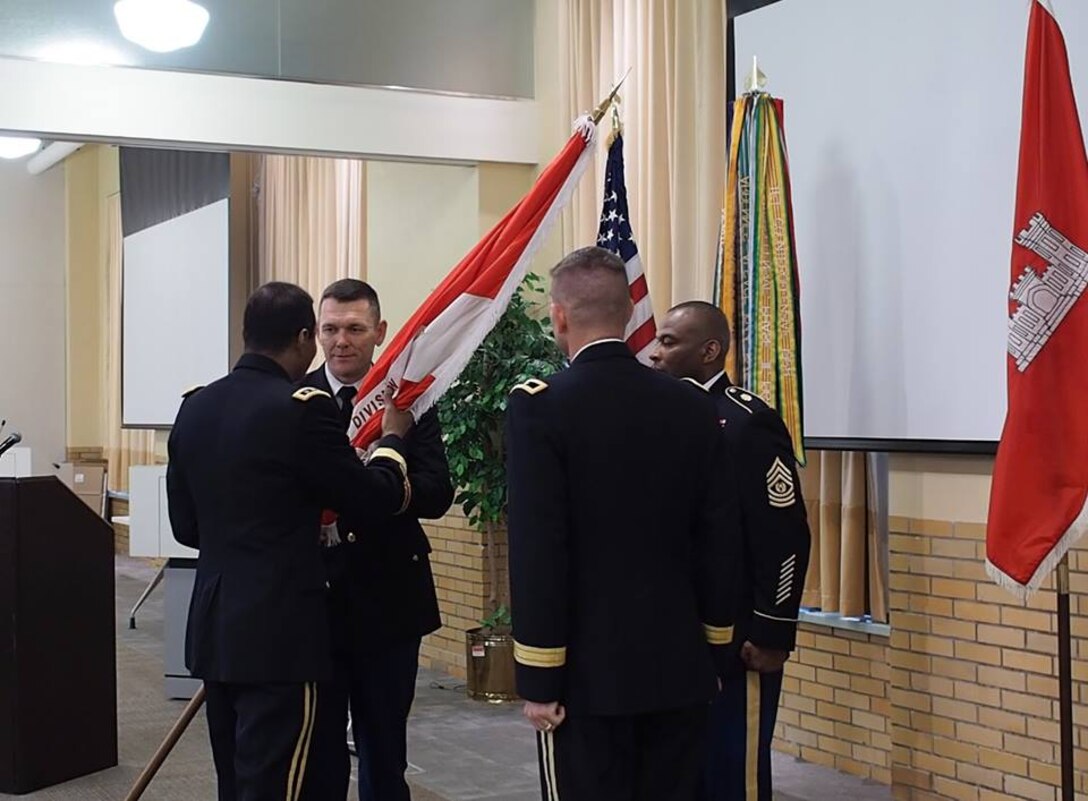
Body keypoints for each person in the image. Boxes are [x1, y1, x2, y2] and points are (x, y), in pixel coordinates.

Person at [505, 247, 739, 801]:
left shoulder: (541, 405)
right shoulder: (691, 406)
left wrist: (540, 676)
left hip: (585, 677)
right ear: (632, 313)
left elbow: (540, 548)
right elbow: (718, 538)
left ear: (559, 316)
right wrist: (714, 651)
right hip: (679, 665)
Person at [166, 281, 415, 801]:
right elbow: (370, 497)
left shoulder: (196, 407)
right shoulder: (302, 409)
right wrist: (391, 442)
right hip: (281, 634)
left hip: (216, 629)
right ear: (305, 338)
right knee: (282, 782)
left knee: (235, 779)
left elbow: (186, 529)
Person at [650, 301, 811, 801]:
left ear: (710, 351)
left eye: (669, 342)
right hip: (677, 637)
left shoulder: (745, 423)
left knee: (731, 773)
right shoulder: (658, 416)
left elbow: (783, 535)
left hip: (740, 640)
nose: (654, 354)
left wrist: (771, 628)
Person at [299, 279, 453, 801]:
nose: (341, 341)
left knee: (384, 751)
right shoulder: (296, 400)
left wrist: (381, 481)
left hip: (388, 599)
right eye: (330, 329)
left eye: (355, 329)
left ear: (380, 333)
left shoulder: (407, 401)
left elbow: (437, 492)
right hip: (314, 602)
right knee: (319, 752)